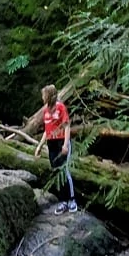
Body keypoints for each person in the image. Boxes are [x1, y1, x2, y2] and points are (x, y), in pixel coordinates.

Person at [34, 84, 77, 215]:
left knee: (65, 171)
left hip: (61, 142)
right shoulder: (46, 111)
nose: (42, 98)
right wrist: (40, 146)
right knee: (56, 173)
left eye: (43, 95)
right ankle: (63, 201)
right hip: (51, 143)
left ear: (49, 95)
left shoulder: (60, 107)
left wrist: (65, 145)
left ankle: (72, 200)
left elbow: (67, 127)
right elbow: (47, 131)